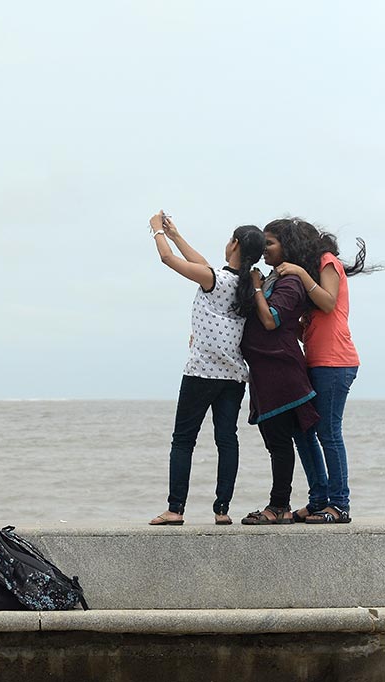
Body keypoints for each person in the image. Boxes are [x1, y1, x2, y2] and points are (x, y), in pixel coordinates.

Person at [147, 212, 265, 526]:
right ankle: (222, 510)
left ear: (234, 243)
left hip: (201, 372)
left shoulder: (216, 279)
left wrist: (157, 232)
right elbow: (202, 264)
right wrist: (177, 233)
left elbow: (168, 260)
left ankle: (176, 509)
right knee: (227, 440)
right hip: (233, 377)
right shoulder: (245, 285)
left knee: (183, 440)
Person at [276, 220, 375, 524]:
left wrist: (301, 273)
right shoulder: (311, 275)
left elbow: (329, 303)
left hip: (336, 362)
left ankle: (340, 504)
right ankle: (319, 499)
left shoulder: (326, 262)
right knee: (302, 430)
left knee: (328, 432)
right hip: (316, 361)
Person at [240, 219, 319, 525]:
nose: (264, 248)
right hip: (265, 372)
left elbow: (271, 320)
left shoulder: (290, 281)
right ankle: (281, 504)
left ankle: (279, 506)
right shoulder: (274, 277)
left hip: (281, 371)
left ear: (287, 246)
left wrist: (257, 287)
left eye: (270, 242)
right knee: (276, 442)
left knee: (280, 443)